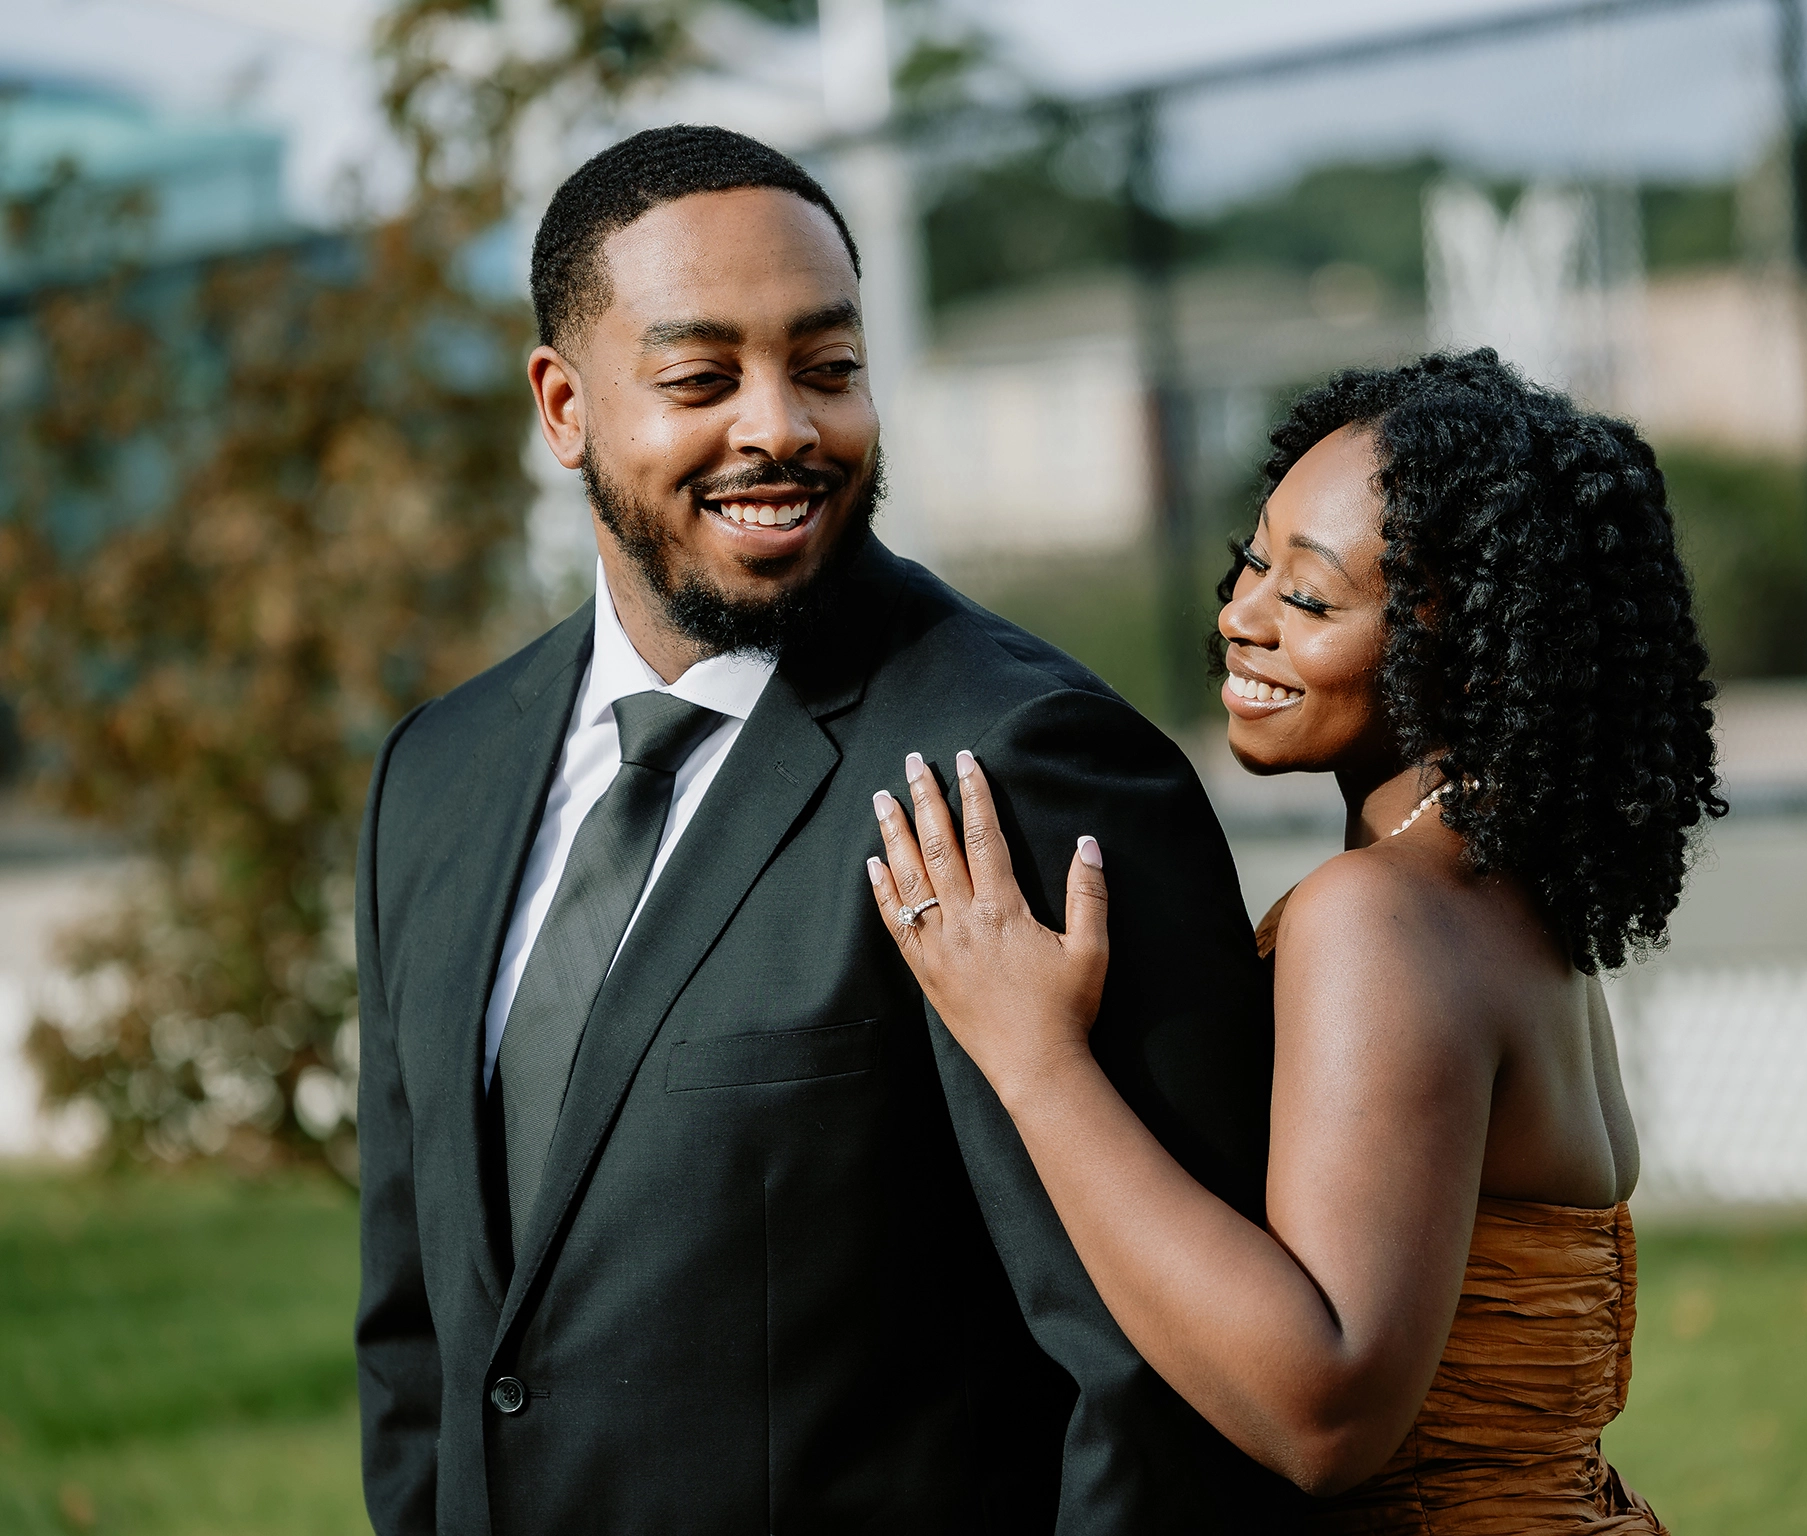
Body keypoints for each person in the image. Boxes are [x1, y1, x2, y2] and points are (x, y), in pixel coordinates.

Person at [353, 124, 1303, 1534]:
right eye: (700, 376)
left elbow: (1163, 1395)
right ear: (562, 407)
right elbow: (421, 1334)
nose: (782, 424)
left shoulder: (1030, 760)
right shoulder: (436, 776)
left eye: (829, 366)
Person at [866, 351, 1722, 1533]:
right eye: (1255, 562)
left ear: (1466, 650)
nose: (1240, 617)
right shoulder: (1510, 911)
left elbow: (1325, 1413)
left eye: (1310, 601)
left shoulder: (1380, 920)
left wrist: (1033, 1058)